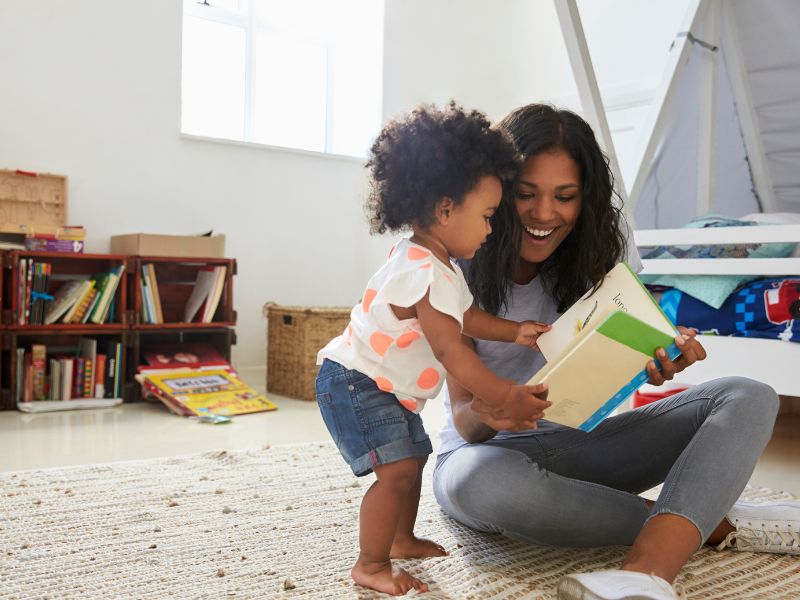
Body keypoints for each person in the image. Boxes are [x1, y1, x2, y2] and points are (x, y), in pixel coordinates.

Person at [432, 103, 799, 600]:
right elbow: (463, 420)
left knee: (749, 395)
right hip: (487, 454)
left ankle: (645, 576)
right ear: (495, 191)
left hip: (583, 445)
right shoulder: (457, 270)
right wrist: (496, 406)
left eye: (565, 197)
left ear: (585, 200)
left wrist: (651, 364)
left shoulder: (596, 259)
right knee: (477, 484)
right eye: (525, 194)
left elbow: (607, 378)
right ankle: (703, 522)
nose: (545, 214)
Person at [315, 103, 552, 596]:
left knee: (416, 457)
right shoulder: (423, 271)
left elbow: (467, 320)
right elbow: (453, 352)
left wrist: (514, 332)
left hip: (380, 384)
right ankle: (370, 563)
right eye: (487, 217)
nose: (491, 231)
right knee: (396, 471)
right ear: (445, 209)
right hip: (356, 381)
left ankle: (400, 537)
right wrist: (504, 395)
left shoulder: (436, 265)